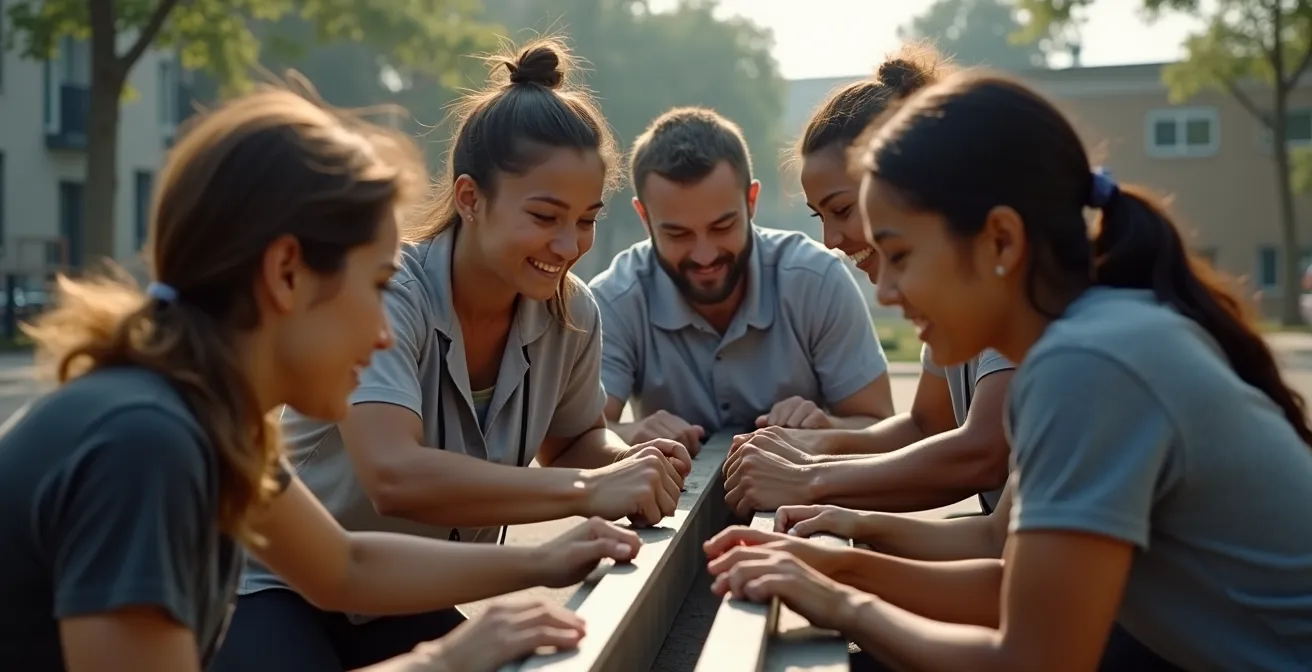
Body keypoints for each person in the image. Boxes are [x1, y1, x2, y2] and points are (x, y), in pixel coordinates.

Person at [0, 82, 643, 672]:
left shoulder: (199, 415)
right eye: (377, 285)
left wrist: (543, 560)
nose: (385, 334)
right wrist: (441, 663)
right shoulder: (146, 443)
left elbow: (344, 565)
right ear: (286, 273)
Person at [705, 70, 1312, 671]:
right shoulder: (1080, 342)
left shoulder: (1089, 364)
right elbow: (1004, 558)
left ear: (1000, 240)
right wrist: (834, 561)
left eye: (902, 255)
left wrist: (844, 600)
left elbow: (1034, 658)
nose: (885, 291)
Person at [215, 40, 691, 672]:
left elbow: (573, 442)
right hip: (277, 586)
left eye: (586, 220)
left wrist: (633, 463)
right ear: (470, 199)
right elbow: (394, 476)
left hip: (396, 590)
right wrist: (588, 490)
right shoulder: (387, 295)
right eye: (545, 216)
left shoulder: (571, 310)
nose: (568, 245)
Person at [723, 48, 1013, 519]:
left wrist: (810, 477)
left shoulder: (1009, 286)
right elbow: (928, 428)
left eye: (842, 210)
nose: (830, 241)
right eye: (819, 216)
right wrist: (814, 446)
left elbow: (982, 453)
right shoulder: (952, 294)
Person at [590, 107, 894, 454]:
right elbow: (581, 439)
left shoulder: (816, 279)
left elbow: (880, 428)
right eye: (678, 234)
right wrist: (632, 434)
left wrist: (824, 430)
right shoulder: (615, 297)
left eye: (722, 227)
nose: (704, 255)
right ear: (645, 218)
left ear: (751, 202)